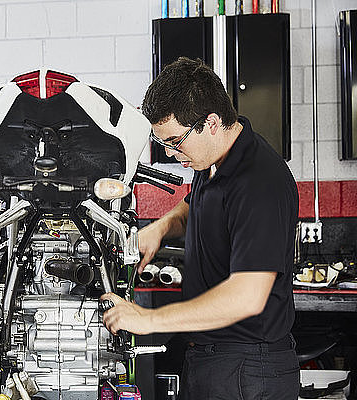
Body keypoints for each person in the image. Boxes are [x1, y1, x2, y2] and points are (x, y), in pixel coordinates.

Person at [101, 57, 300, 399]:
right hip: (211, 359)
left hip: (249, 370)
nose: (174, 154)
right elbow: (195, 205)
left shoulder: (259, 182)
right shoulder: (211, 159)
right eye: (164, 143)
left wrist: (148, 320)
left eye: (176, 141)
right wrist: (161, 228)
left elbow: (247, 296)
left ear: (211, 122)